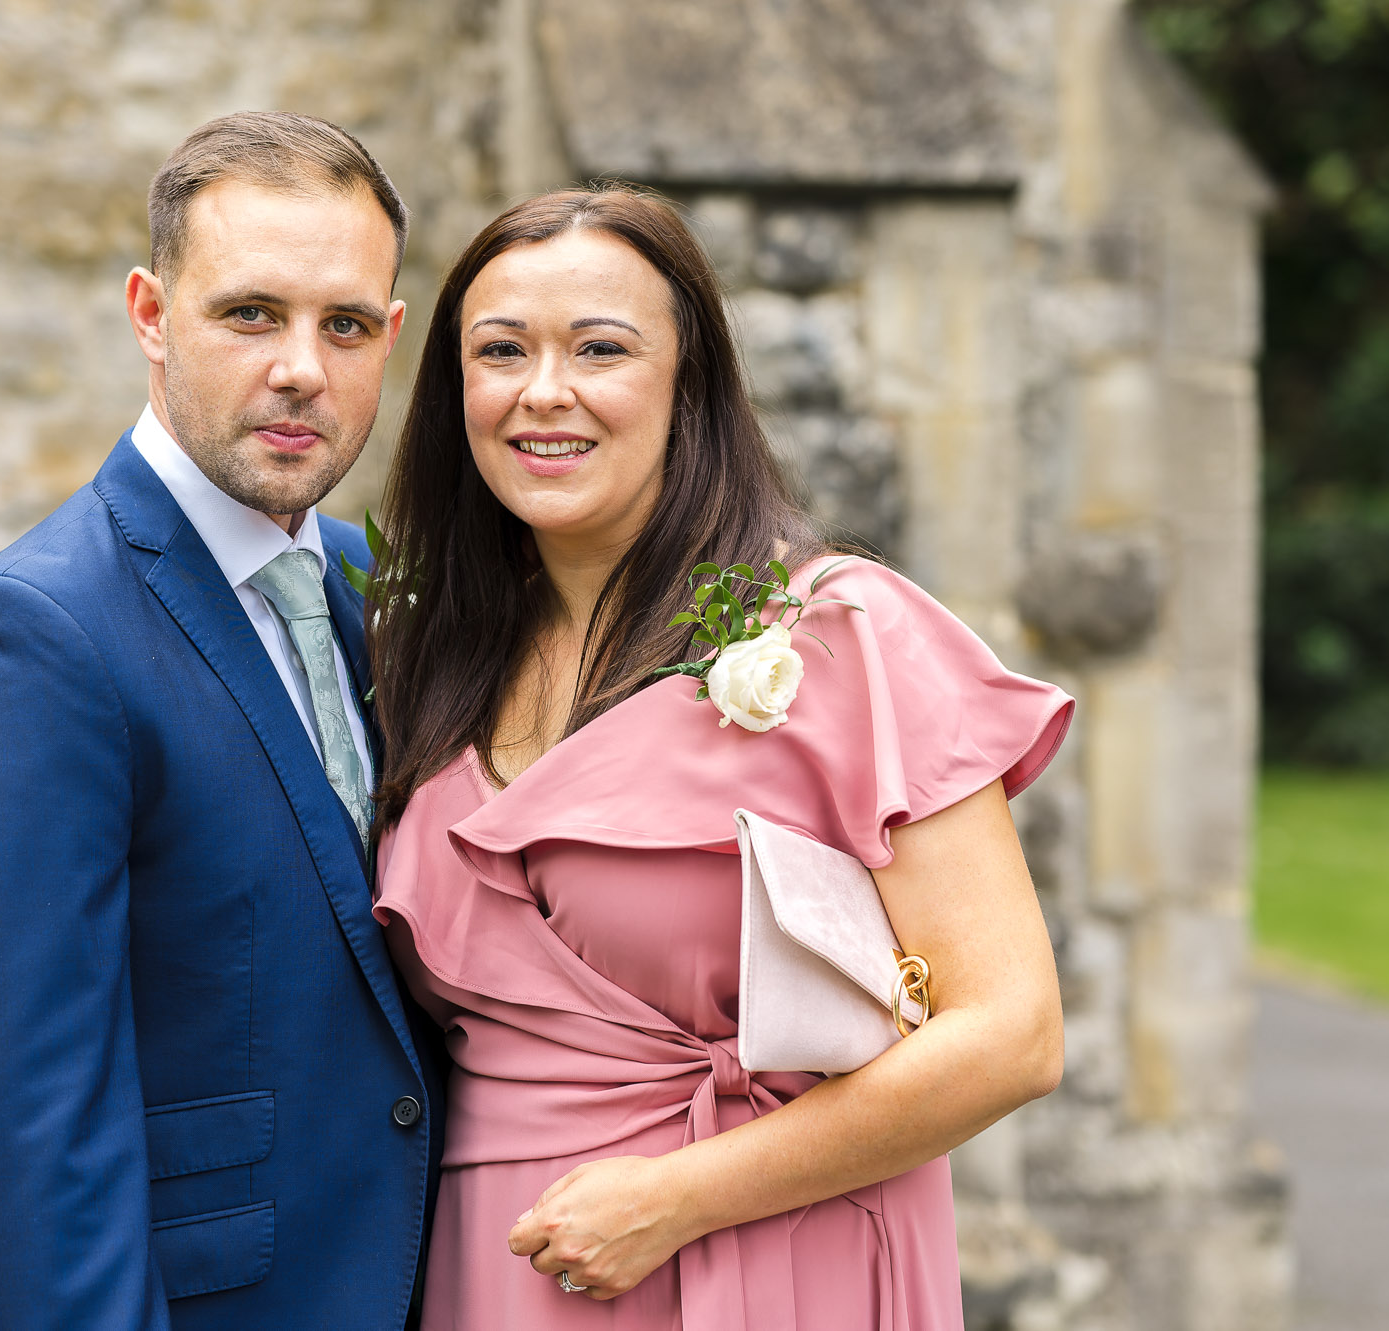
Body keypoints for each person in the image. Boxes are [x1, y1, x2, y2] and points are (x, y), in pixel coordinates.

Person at [365, 187, 1076, 1330]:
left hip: (770, 1255)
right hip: (494, 1274)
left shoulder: (841, 634)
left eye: (600, 348)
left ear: (687, 386)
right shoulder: (422, 664)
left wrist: (677, 1198)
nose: (543, 390)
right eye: (500, 351)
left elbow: (1010, 1034)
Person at [0, 112, 443, 1330]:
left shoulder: (365, 590)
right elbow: (20, 1119)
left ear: (389, 340)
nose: (301, 364)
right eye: (251, 313)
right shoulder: (30, 636)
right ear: (149, 313)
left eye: (343, 324)